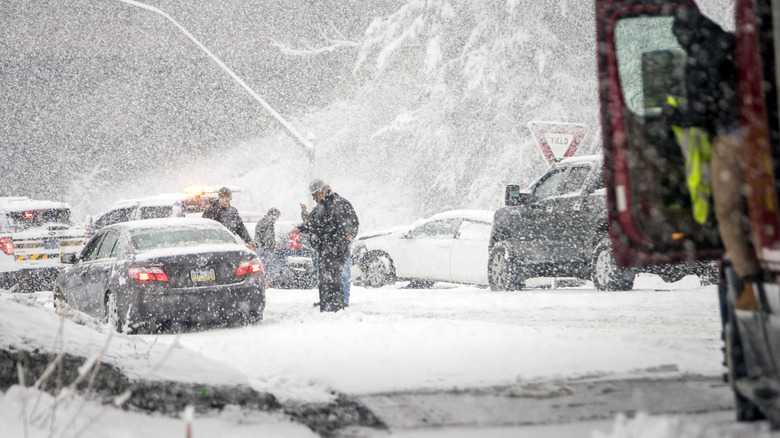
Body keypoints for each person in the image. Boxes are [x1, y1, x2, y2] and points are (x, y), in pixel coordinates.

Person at [669, 10, 761, 309]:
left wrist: (674, 116)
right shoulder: (735, 43)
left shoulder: (698, 61)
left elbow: (700, 112)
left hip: (732, 141)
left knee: (727, 212)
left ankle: (751, 282)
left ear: (684, 37)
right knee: (762, 206)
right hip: (762, 136)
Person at [292, 179, 359, 312]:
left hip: (337, 248)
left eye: (314, 195)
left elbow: (353, 221)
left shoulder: (340, 203)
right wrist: (301, 227)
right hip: (325, 249)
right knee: (326, 278)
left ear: (321, 192)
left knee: (337, 276)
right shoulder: (320, 207)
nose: (313, 198)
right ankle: (328, 303)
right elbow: (312, 224)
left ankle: (338, 303)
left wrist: (350, 235)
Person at [255, 208, 282, 285]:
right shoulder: (267, 223)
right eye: (277, 216)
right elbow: (267, 238)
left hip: (261, 248)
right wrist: (273, 244)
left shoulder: (263, 221)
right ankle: (266, 282)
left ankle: (263, 282)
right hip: (265, 249)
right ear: (272, 215)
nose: (277, 219)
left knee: (263, 266)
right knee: (273, 267)